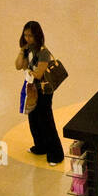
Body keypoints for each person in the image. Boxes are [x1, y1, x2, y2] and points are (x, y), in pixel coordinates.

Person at [15, 21, 64, 165]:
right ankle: (40, 146)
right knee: (34, 118)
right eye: (25, 35)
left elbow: (39, 73)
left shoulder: (43, 53)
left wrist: (28, 71)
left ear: (37, 36)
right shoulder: (28, 49)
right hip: (32, 89)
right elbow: (18, 65)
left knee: (46, 120)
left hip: (44, 90)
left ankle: (56, 154)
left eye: (30, 35)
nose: (27, 38)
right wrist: (21, 51)